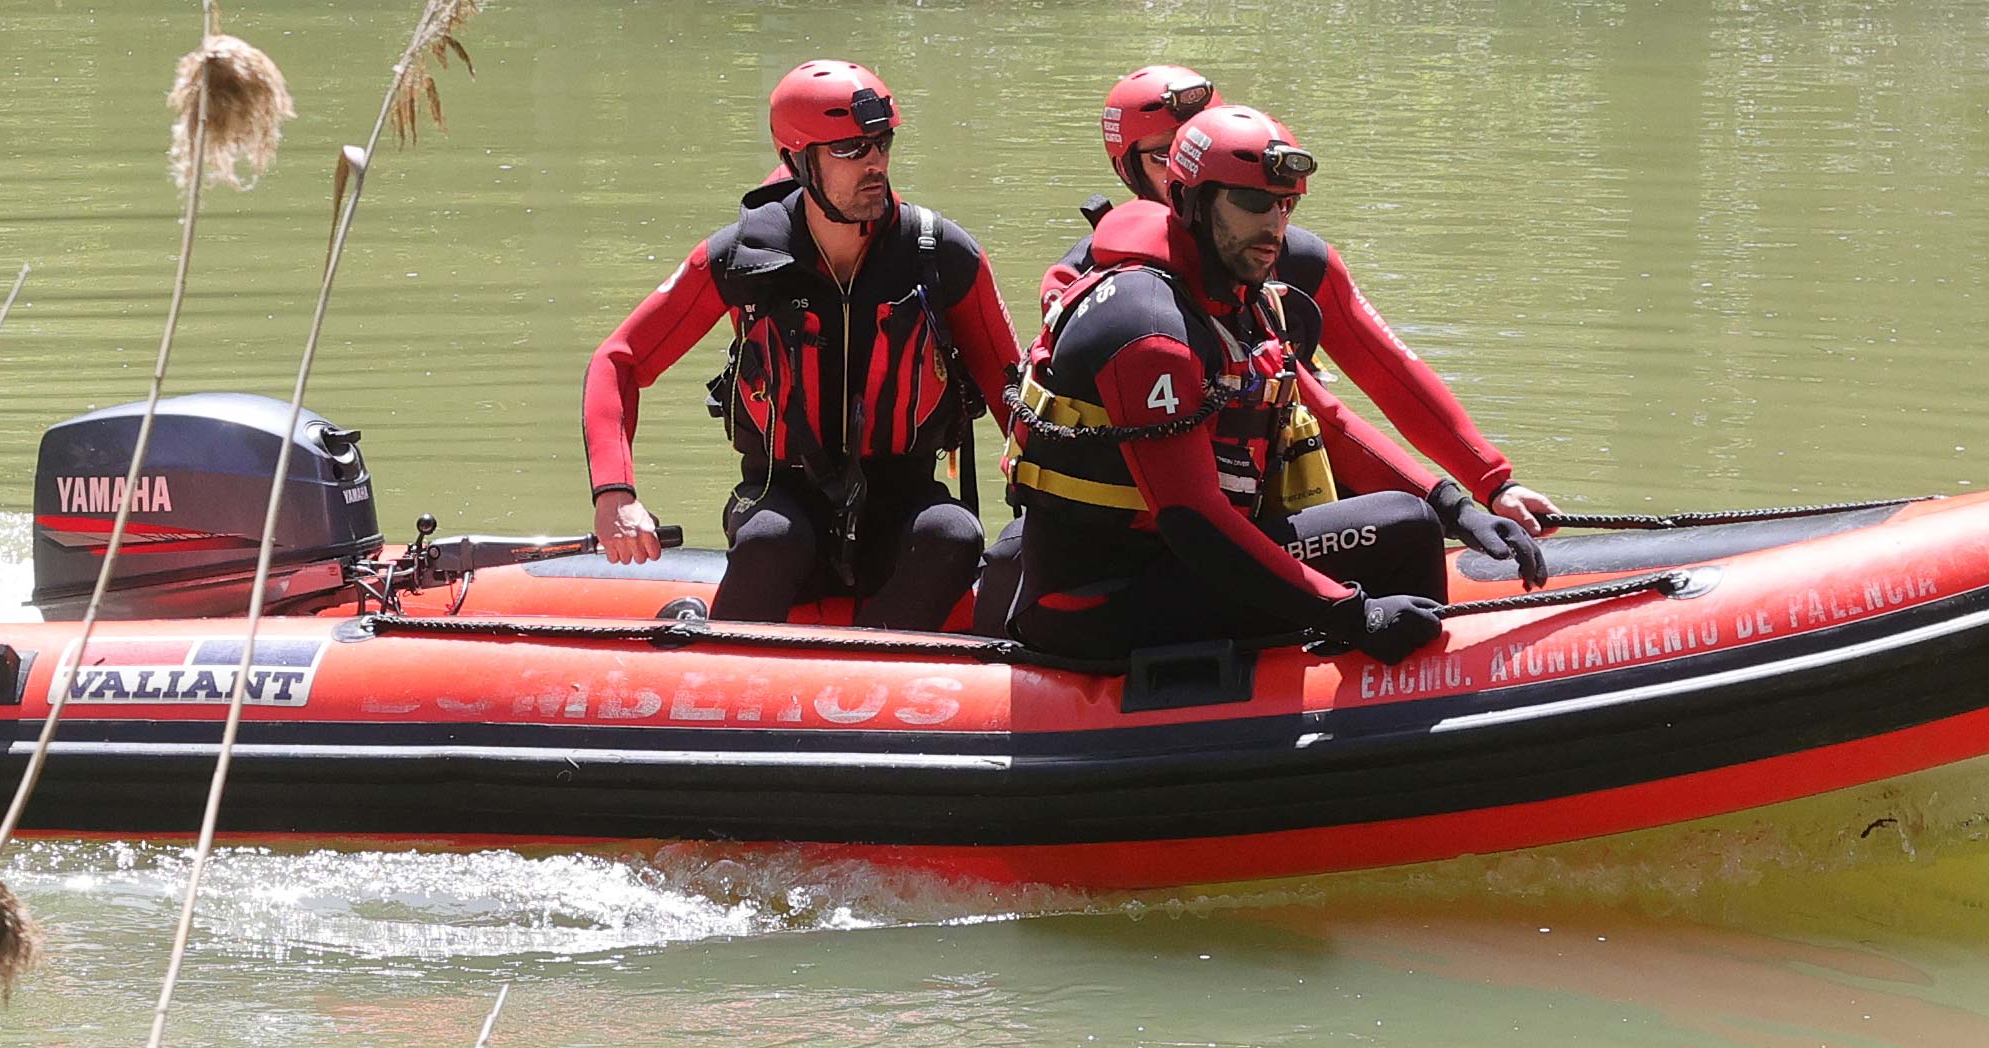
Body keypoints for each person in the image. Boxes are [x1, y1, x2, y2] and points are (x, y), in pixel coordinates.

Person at [1009, 107, 1546, 668]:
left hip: (1173, 564)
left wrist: (1459, 506)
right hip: (1099, 600)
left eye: (1285, 204)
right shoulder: (1149, 326)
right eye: (1252, 203)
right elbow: (1193, 521)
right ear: (1188, 201)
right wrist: (1352, 614)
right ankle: (1395, 714)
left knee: (1412, 517)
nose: (1274, 225)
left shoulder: (1236, 296)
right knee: (1403, 528)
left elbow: (1330, 423)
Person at [1050, 61, 1567, 566]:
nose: (1187, 154)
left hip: (1291, 479)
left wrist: (1493, 484)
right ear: (1128, 168)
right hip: (1165, 532)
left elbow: (1386, 373)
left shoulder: (1296, 259)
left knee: (1397, 515)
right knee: (1403, 523)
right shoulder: (1106, 283)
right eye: (1165, 153)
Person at [581, 59, 1026, 631]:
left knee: (953, 533)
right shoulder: (741, 257)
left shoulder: (940, 254)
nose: (875, 163)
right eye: (849, 149)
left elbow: (1017, 395)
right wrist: (614, 493)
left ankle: (869, 683)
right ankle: (728, 686)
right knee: (772, 540)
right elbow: (619, 360)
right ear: (798, 159)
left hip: (903, 493)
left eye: (881, 142)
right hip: (778, 489)